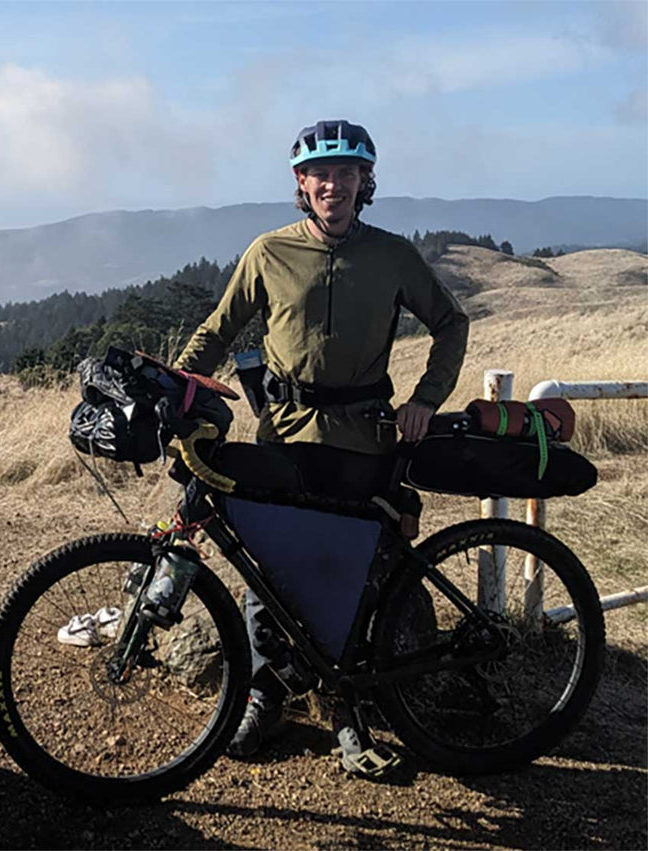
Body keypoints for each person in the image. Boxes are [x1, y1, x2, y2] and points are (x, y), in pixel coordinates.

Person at [173, 119, 469, 759]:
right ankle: (264, 696)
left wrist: (426, 398)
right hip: (283, 435)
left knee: (355, 571)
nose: (332, 184)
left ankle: (347, 706)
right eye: (320, 173)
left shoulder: (393, 255)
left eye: (345, 172)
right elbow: (218, 331)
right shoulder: (268, 252)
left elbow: (450, 322)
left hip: (364, 438)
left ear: (365, 182)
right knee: (268, 568)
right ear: (301, 184)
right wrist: (180, 384)